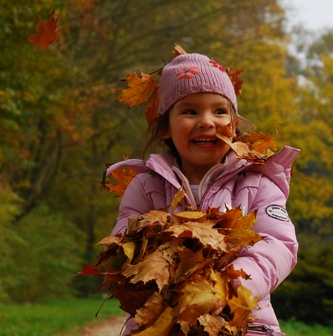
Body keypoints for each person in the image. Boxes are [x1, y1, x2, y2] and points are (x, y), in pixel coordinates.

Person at [107, 52, 300, 336]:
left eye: (219, 111)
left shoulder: (257, 185)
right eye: (190, 111)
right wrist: (156, 275)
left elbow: (279, 244)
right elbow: (124, 247)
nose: (207, 121)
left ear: (233, 126)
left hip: (242, 323)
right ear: (165, 129)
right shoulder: (146, 187)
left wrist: (232, 283)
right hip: (164, 324)